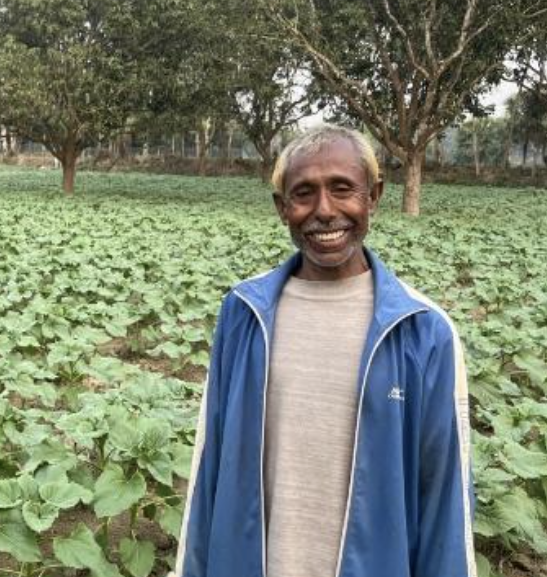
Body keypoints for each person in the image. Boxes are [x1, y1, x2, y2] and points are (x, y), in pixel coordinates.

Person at [173, 125, 475, 577]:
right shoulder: (242, 313)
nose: (325, 210)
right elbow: (208, 466)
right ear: (282, 208)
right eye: (303, 193)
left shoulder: (424, 331)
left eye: (342, 189)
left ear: (373, 197)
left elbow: (445, 501)